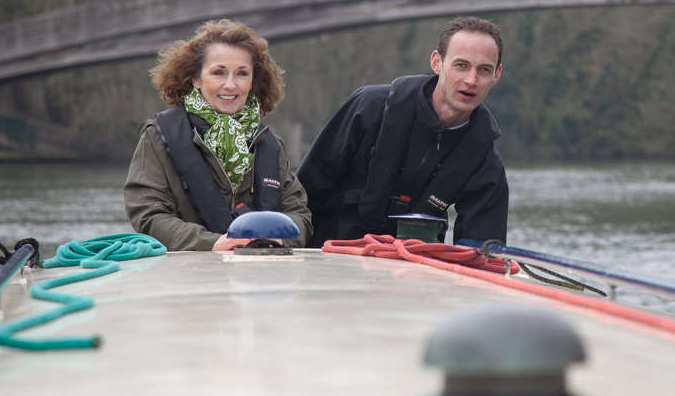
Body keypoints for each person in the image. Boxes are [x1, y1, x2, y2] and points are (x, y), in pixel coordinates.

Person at [297, 16, 508, 247]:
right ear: (437, 62)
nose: (471, 80)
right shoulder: (369, 108)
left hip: (412, 269)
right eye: (461, 65)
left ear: (496, 76)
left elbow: (482, 251)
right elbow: (304, 193)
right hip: (327, 257)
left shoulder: (485, 161)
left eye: (484, 70)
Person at [125, 19, 312, 251]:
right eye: (218, 73)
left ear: (253, 81)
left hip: (264, 270)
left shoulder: (269, 144)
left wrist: (281, 238)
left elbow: (299, 213)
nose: (230, 85)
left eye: (242, 74)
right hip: (189, 273)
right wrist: (212, 243)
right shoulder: (156, 138)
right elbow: (148, 215)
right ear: (196, 79)